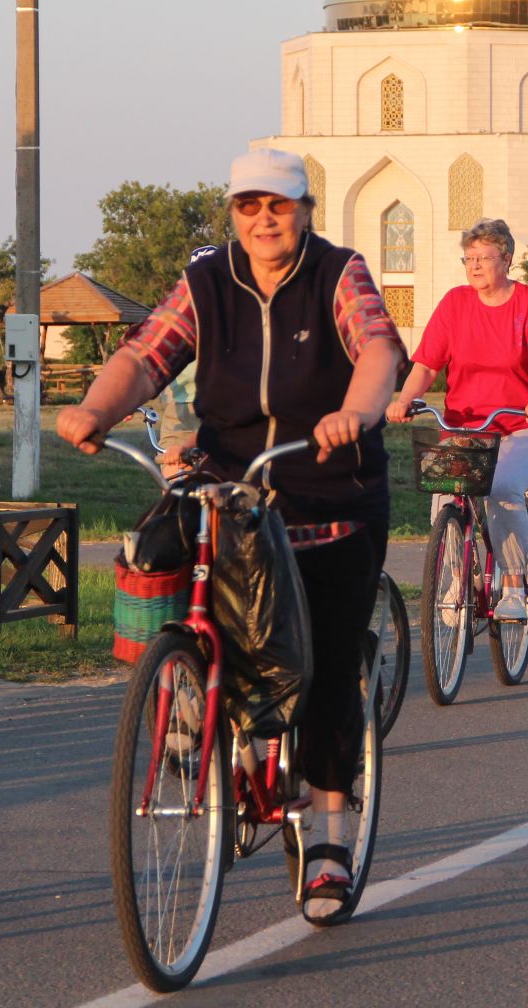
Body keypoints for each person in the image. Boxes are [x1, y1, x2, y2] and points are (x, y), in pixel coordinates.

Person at [57, 150, 404, 920]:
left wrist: (356, 410)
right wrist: (95, 408)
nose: (263, 219)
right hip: (232, 482)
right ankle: (183, 694)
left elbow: (378, 347)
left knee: (326, 659)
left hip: (328, 488)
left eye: (278, 206)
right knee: (156, 554)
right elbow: (146, 355)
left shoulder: (339, 272)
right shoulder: (209, 280)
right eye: (248, 206)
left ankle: (327, 835)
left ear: (305, 209)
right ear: (233, 213)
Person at [386, 218, 528, 622]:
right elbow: (426, 365)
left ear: (507, 259)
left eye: (484, 257)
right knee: (446, 493)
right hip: (465, 426)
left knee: (502, 486)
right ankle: (454, 579)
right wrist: (406, 399)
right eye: (469, 258)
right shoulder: (455, 303)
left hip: (522, 425)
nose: (476, 265)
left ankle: (515, 584)